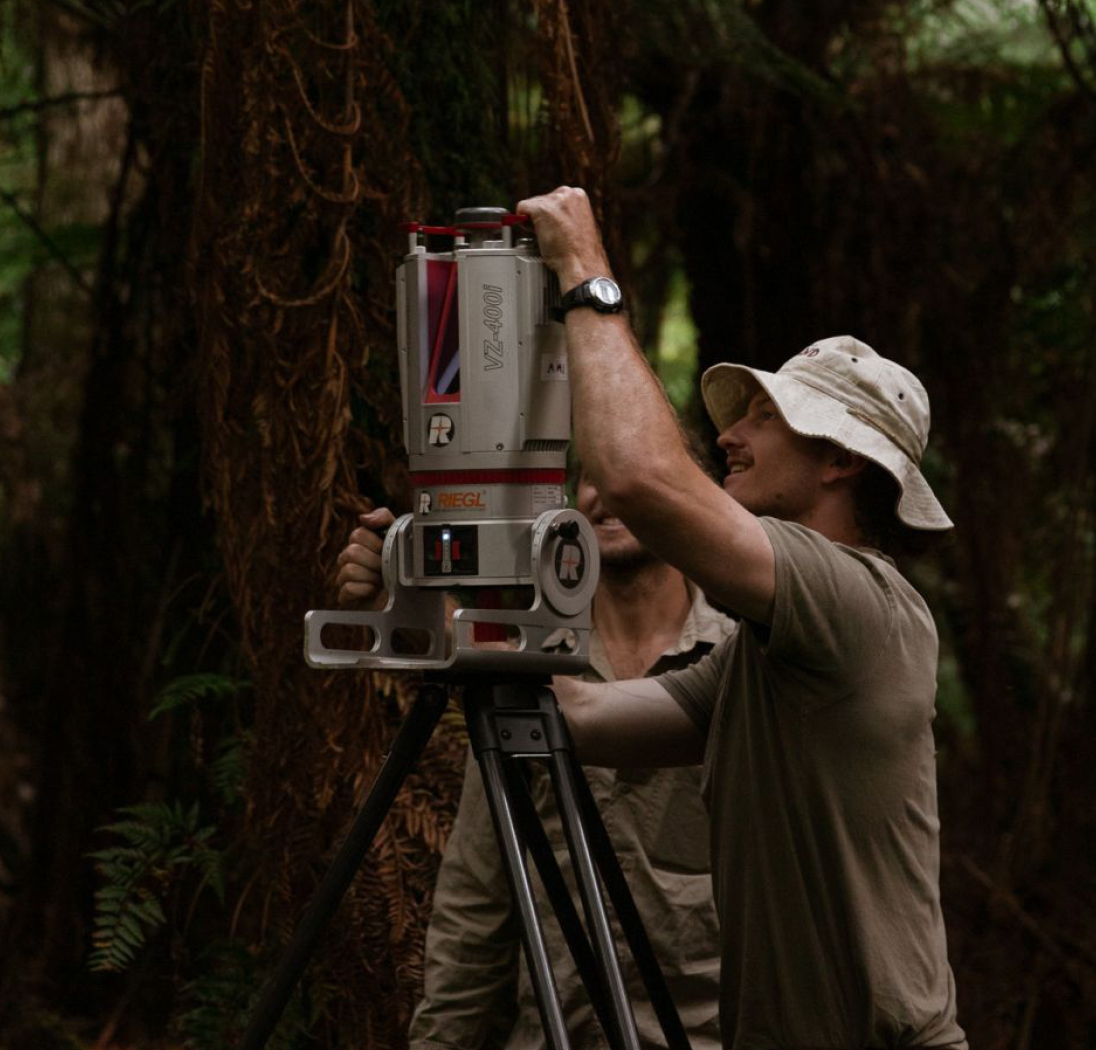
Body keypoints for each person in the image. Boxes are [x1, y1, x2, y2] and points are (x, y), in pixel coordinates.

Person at [516, 186, 969, 1049]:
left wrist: (586, 272)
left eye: (766, 417)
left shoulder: (858, 604)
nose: (730, 435)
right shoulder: (771, 656)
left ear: (839, 459)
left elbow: (642, 480)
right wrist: (432, 603)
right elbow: (574, 716)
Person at [333, 473, 735, 1050]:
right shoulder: (526, 669)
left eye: (627, 469)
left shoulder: (744, 670)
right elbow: (477, 900)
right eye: (591, 474)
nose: (607, 492)